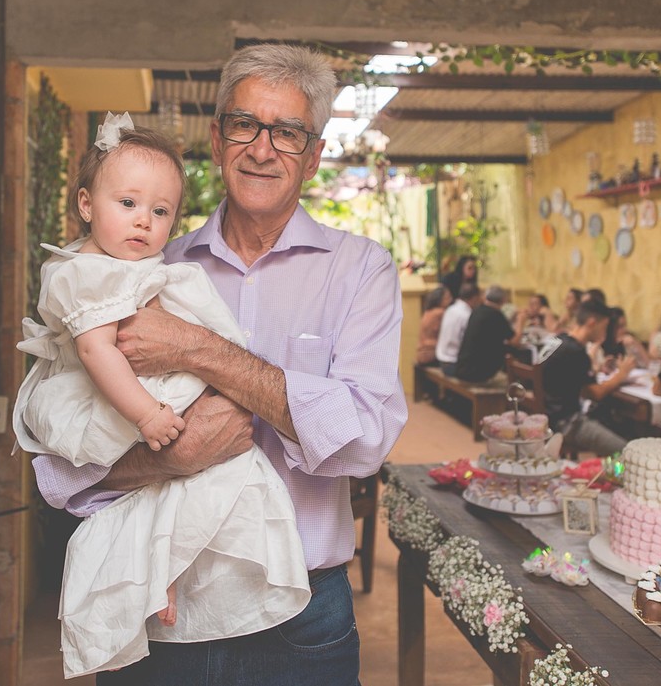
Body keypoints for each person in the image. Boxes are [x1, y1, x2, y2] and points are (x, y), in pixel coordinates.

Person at [32, 43, 408, 685]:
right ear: (217, 139)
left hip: (301, 613)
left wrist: (196, 348)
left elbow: (365, 439)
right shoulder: (138, 268)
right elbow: (59, 460)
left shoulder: (359, 270)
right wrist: (168, 457)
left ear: (314, 156)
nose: (262, 149)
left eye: (288, 133)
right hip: (158, 607)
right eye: (245, 125)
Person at [13, 117, 310, 677]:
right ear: (85, 204)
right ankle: (152, 580)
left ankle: (167, 575)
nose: (143, 222)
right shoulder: (82, 273)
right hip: (118, 400)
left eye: (160, 212)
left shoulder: (146, 266)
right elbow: (101, 352)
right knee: (156, 485)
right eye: (127, 202)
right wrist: (150, 414)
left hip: (146, 390)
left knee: (186, 486)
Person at [535, 299, 635, 457]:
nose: (605, 333)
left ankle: (611, 473)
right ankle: (616, 475)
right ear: (592, 322)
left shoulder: (557, 340)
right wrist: (622, 374)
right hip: (565, 422)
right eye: (604, 327)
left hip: (544, 413)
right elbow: (595, 394)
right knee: (627, 452)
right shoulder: (576, 351)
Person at [455, 284, 521, 383]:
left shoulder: (477, 311)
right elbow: (515, 341)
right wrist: (521, 320)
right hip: (476, 373)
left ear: (485, 297)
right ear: (503, 300)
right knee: (514, 352)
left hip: (462, 367)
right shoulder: (496, 315)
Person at [435, 282, 480, 376]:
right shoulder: (466, 315)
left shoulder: (451, 309)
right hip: (453, 363)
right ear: (475, 298)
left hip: (442, 360)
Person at [416, 285, 453, 365]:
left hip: (421, 352)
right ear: (439, 300)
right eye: (447, 298)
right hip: (431, 353)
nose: (451, 300)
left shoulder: (428, 312)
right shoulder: (440, 313)